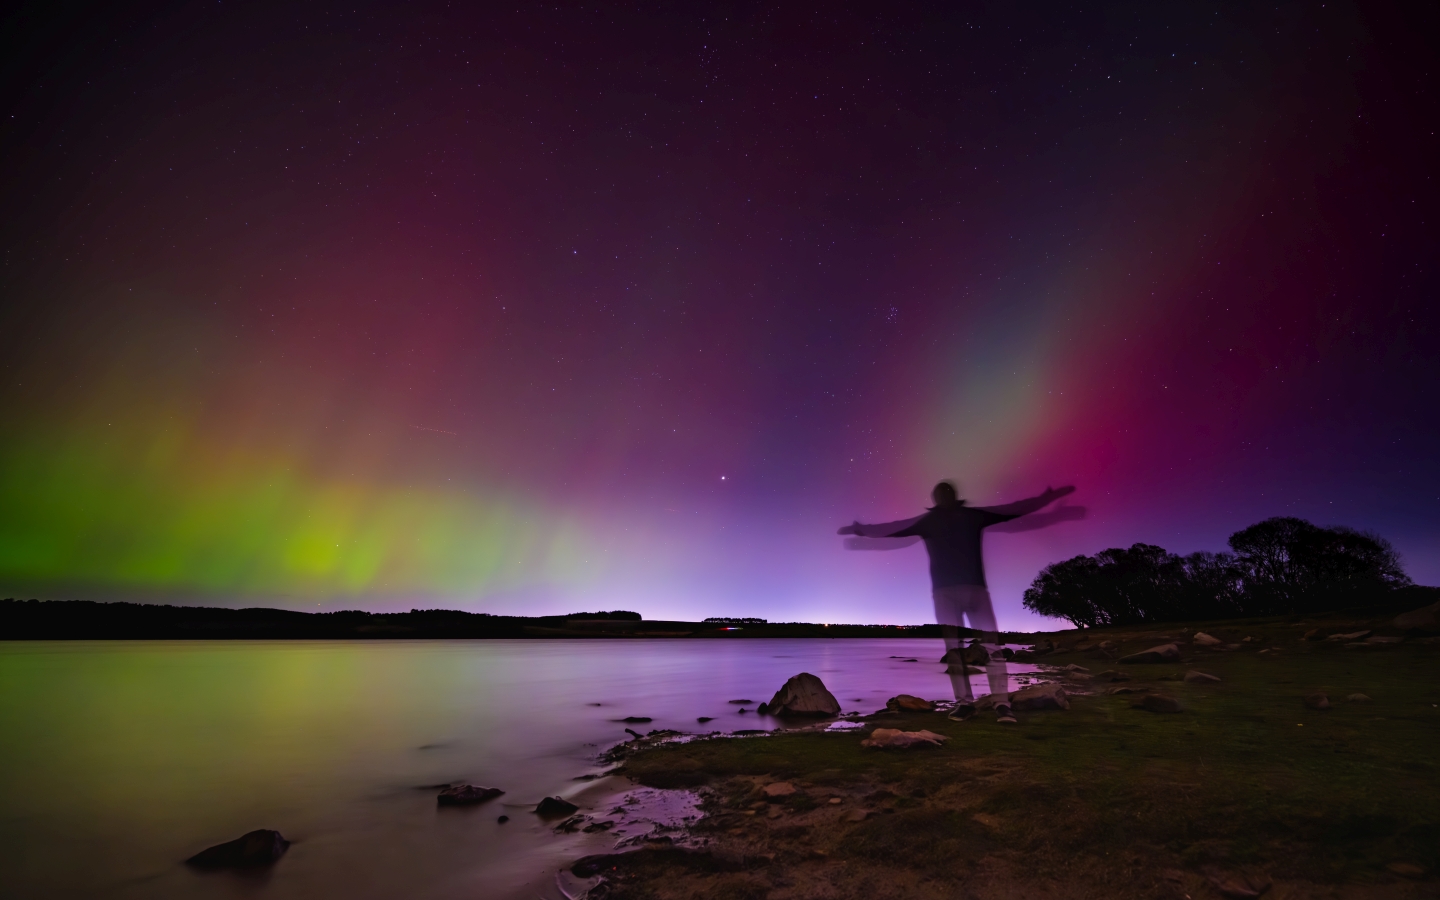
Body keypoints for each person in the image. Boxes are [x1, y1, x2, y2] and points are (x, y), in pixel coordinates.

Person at [838, 481, 1075, 723]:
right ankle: (964, 704)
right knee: (953, 648)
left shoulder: (972, 516)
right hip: (945, 593)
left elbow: (1011, 510)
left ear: (954, 495)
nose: (945, 496)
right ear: (935, 499)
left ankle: (1002, 705)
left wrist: (1046, 499)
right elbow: (895, 528)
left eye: (948, 492)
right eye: (940, 493)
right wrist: (863, 530)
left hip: (976, 590)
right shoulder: (928, 522)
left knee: (992, 647)